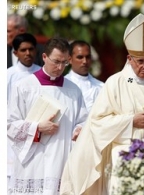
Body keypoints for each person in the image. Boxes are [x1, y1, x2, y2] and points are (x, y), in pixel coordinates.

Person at [60, 13, 144, 195]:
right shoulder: (115, 83)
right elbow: (98, 122)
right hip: (124, 154)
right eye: (140, 61)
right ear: (130, 59)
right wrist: (131, 121)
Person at [7, 37, 88, 194]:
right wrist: (37, 128)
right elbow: (9, 124)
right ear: (44, 57)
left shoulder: (73, 90)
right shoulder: (24, 86)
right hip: (32, 163)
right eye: (56, 61)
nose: (60, 67)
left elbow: (83, 120)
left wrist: (79, 129)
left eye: (64, 62)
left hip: (61, 160)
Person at [7, 32, 41, 185]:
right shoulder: (8, 76)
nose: (28, 53)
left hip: (41, 131)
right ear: (15, 53)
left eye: (31, 49)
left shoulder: (42, 73)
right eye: (23, 50)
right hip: (14, 132)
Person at [65, 40, 104, 112]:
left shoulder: (101, 87)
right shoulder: (63, 85)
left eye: (88, 57)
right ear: (70, 59)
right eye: (80, 57)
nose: (85, 61)